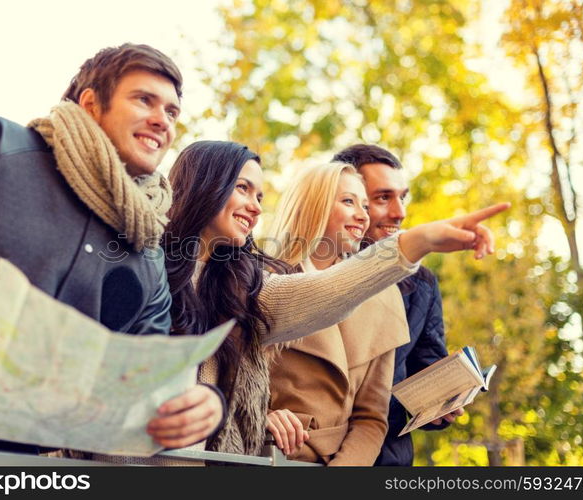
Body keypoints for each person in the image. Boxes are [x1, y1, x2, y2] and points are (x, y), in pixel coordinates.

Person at [0, 43, 224, 451]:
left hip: (19, 470)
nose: (163, 121)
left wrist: (203, 407)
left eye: (172, 112)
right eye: (145, 100)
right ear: (90, 104)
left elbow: (142, 388)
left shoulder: (148, 252)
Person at [162, 139, 508, 456]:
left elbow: (327, 294)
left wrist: (419, 242)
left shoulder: (243, 287)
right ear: (204, 186)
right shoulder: (148, 272)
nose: (255, 207)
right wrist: (258, 415)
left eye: (260, 197)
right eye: (243, 188)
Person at [265, 162, 410, 465]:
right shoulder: (260, 280)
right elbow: (229, 384)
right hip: (268, 455)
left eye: (365, 205)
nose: (363, 215)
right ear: (313, 205)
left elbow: (371, 418)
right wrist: (261, 415)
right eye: (348, 201)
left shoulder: (384, 297)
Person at [333, 143, 462, 466]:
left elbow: (426, 365)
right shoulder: (299, 274)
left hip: (388, 460)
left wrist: (440, 404)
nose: (399, 212)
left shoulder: (421, 284)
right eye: (382, 198)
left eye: (402, 197)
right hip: (309, 454)